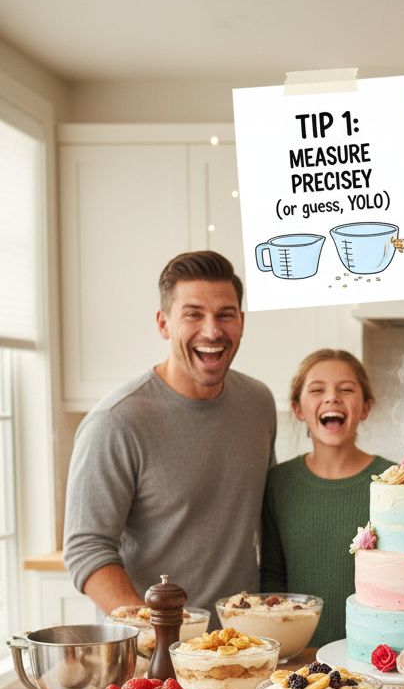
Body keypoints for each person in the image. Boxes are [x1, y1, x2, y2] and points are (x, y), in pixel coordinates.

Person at [63, 251, 277, 619]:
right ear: (164, 324)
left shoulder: (258, 403)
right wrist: (155, 634)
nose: (212, 331)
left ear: (241, 322)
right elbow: (86, 550)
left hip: (244, 647)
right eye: (193, 314)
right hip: (153, 661)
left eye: (225, 315)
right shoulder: (116, 421)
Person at [260, 349, 393, 647]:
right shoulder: (278, 483)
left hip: (378, 654)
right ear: (298, 408)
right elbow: (272, 576)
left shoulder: (393, 481)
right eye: (317, 390)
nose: (332, 397)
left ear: (365, 408)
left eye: (346, 389)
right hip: (300, 661)